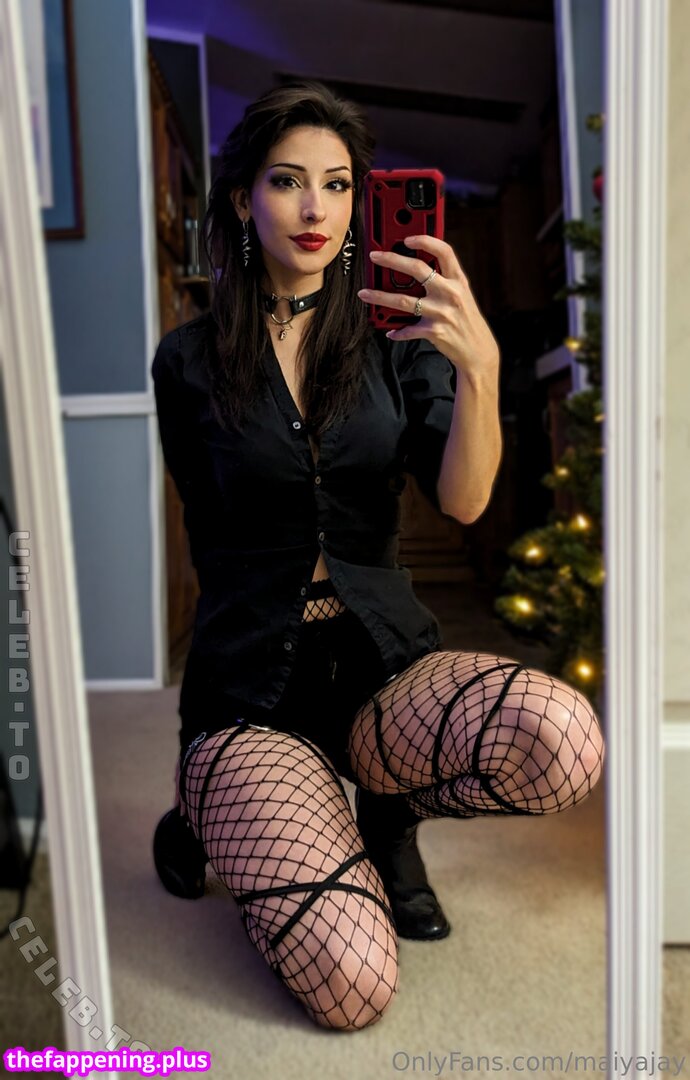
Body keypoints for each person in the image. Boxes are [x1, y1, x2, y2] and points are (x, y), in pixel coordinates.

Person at [151, 80, 605, 1032]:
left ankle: (386, 823)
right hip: (253, 683)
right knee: (352, 986)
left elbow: (464, 500)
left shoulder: (400, 341)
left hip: (378, 664)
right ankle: (212, 805)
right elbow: (208, 526)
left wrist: (478, 367)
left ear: (362, 200)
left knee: (562, 738)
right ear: (243, 198)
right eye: (287, 181)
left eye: (337, 184)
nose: (314, 208)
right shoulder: (187, 361)